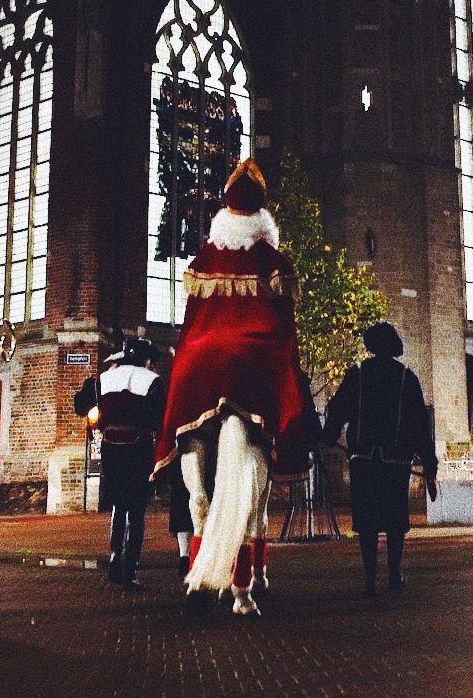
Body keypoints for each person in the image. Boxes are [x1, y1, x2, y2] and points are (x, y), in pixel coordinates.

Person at [154, 158, 319, 617]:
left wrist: (190, 355)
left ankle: (197, 568)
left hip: (203, 361)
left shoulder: (203, 260)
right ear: (263, 214)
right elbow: (287, 332)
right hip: (254, 359)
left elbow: (189, 327)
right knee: (283, 394)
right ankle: (245, 587)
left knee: (184, 375)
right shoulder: (275, 262)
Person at [323, 321, 437, 596]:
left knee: (367, 521)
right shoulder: (406, 377)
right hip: (395, 462)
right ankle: (395, 574)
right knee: (396, 520)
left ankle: (370, 578)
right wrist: (429, 461)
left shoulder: (358, 375)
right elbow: (420, 423)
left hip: (363, 460)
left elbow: (337, 410)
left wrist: (327, 436)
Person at [73, 338, 164, 589]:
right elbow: (158, 418)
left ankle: (114, 557)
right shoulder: (152, 381)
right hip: (139, 447)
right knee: (137, 511)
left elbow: (80, 405)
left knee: (118, 505)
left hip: (111, 446)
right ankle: (130, 569)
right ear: (146, 360)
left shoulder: (102, 379)